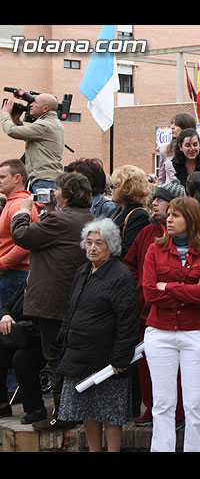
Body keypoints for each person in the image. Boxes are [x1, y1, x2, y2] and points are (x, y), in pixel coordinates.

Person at [10, 172, 95, 432]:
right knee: (67, 357)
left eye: (57, 190)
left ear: (66, 195)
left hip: (52, 302)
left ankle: (63, 414)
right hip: (75, 300)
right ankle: (72, 410)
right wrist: (50, 212)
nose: (54, 193)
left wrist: (22, 212)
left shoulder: (59, 219)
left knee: (56, 358)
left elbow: (22, 236)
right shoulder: (88, 218)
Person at [142, 197, 200, 452]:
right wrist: (189, 289)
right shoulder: (155, 249)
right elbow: (150, 293)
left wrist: (170, 287)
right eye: (169, 215)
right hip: (160, 332)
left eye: (176, 215)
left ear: (191, 219)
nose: (169, 219)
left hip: (197, 332)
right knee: (162, 404)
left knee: (195, 403)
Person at [56, 218, 139, 452]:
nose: (92, 247)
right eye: (89, 242)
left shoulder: (120, 276)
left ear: (110, 246)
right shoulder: (83, 272)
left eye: (99, 243)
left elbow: (127, 320)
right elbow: (71, 309)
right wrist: (64, 338)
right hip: (78, 355)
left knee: (110, 412)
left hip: (107, 360)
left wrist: (121, 358)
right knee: (87, 410)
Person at [123, 181, 186, 425]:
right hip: (143, 311)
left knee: (175, 368)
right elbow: (129, 264)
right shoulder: (146, 232)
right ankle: (151, 408)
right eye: (156, 198)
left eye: (162, 199)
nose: (155, 202)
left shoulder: (182, 236)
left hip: (172, 313)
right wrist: (141, 285)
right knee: (145, 366)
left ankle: (178, 413)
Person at [0, 281, 47, 424]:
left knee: (22, 358)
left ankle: (36, 409)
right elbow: (7, 305)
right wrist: (6, 316)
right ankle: (2, 405)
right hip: (18, 336)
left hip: (40, 339)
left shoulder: (49, 284)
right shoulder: (27, 281)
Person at [1, 93, 64, 194]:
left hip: (45, 180)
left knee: (46, 209)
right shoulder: (51, 122)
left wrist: (5, 113)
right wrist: (17, 121)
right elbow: (30, 137)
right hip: (46, 179)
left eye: (35, 102)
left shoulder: (45, 125)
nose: (30, 105)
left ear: (45, 108)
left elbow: (11, 131)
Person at [0, 159, 39, 306]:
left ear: (17, 178)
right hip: (12, 274)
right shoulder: (14, 202)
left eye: (2, 177)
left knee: (8, 325)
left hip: (14, 274)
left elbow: (26, 242)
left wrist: (2, 263)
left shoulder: (18, 205)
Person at [109, 165, 151, 260]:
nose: (110, 190)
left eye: (113, 186)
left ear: (125, 189)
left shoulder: (138, 215)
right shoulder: (117, 210)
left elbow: (128, 252)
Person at [157, 113, 197, 185]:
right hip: (169, 193)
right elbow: (161, 179)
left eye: (176, 124)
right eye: (172, 124)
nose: (172, 127)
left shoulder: (197, 151)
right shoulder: (166, 151)